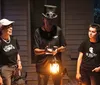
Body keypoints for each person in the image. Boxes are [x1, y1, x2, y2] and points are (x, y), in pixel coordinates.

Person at [34, 5, 66, 85]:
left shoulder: (58, 30)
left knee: (57, 83)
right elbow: (35, 50)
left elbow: (64, 47)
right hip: (43, 64)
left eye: (52, 20)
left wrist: (57, 50)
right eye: (48, 19)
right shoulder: (38, 32)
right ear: (43, 19)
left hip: (56, 63)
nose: (50, 22)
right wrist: (44, 51)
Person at [0, 18, 22, 85]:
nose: (11, 28)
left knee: (20, 83)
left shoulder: (13, 39)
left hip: (15, 68)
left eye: (11, 26)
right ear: (2, 29)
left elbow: (17, 52)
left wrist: (19, 62)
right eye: (8, 27)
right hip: (5, 69)